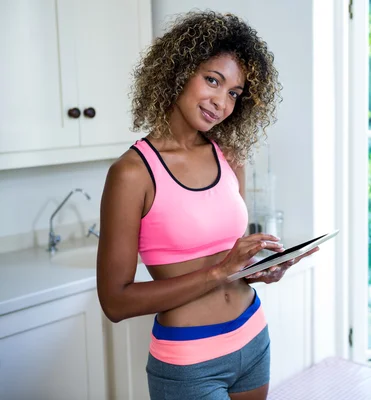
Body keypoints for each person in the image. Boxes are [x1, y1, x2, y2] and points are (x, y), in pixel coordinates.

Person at [96, 10, 319, 400]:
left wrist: (258, 270)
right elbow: (115, 301)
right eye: (212, 80)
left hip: (252, 338)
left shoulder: (229, 154)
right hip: (189, 362)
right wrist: (218, 273)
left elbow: (228, 263)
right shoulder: (133, 173)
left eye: (233, 93)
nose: (221, 102)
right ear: (179, 71)